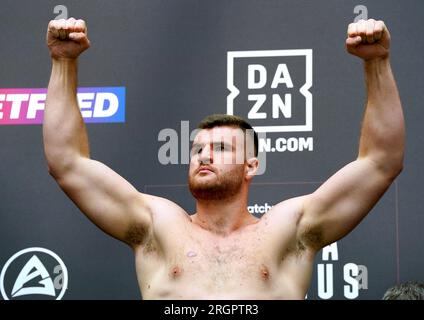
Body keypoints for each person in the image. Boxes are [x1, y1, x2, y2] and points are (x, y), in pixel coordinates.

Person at [43, 17, 404, 299]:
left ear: (252, 165)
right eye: (198, 148)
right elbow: (67, 162)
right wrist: (62, 62)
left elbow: (381, 162)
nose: (204, 155)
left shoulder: (288, 230)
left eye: (221, 149)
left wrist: (377, 63)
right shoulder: (158, 227)